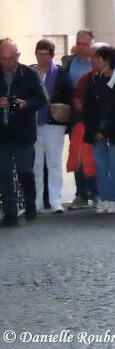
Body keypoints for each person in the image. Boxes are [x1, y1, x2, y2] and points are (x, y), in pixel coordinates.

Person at [0, 40, 46, 226]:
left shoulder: (28, 73)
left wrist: (26, 104)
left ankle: (30, 205)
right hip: (2, 134)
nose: (8, 62)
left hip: (23, 133)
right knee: (3, 174)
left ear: (18, 56)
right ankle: (10, 213)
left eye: (12, 58)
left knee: (24, 171)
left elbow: (40, 100)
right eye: (4, 59)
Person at [82, 46, 115, 214]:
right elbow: (88, 108)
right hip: (96, 127)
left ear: (107, 61)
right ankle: (106, 197)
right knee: (101, 164)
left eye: (98, 58)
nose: (94, 61)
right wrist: (94, 128)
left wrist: (106, 130)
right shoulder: (94, 80)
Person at [31, 39, 72, 214]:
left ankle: (55, 200)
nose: (42, 57)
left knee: (54, 163)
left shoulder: (61, 74)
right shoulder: (29, 72)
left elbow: (68, 95)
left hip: (54, 124)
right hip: (33, 124)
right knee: (36, 164)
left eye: (45, 54)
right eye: (39, 53)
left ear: (52, 55)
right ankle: (38, 201)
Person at [63, 29, 96, 209]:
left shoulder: (97, 62)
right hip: (76, 115)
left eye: (85, 44)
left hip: (95, 114)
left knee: (94, 154)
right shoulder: (69, 64)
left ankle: (96, 193)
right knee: (77, 153)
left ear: (92, 44)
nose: (82, 47)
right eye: (79, 43)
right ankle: (81, 194)